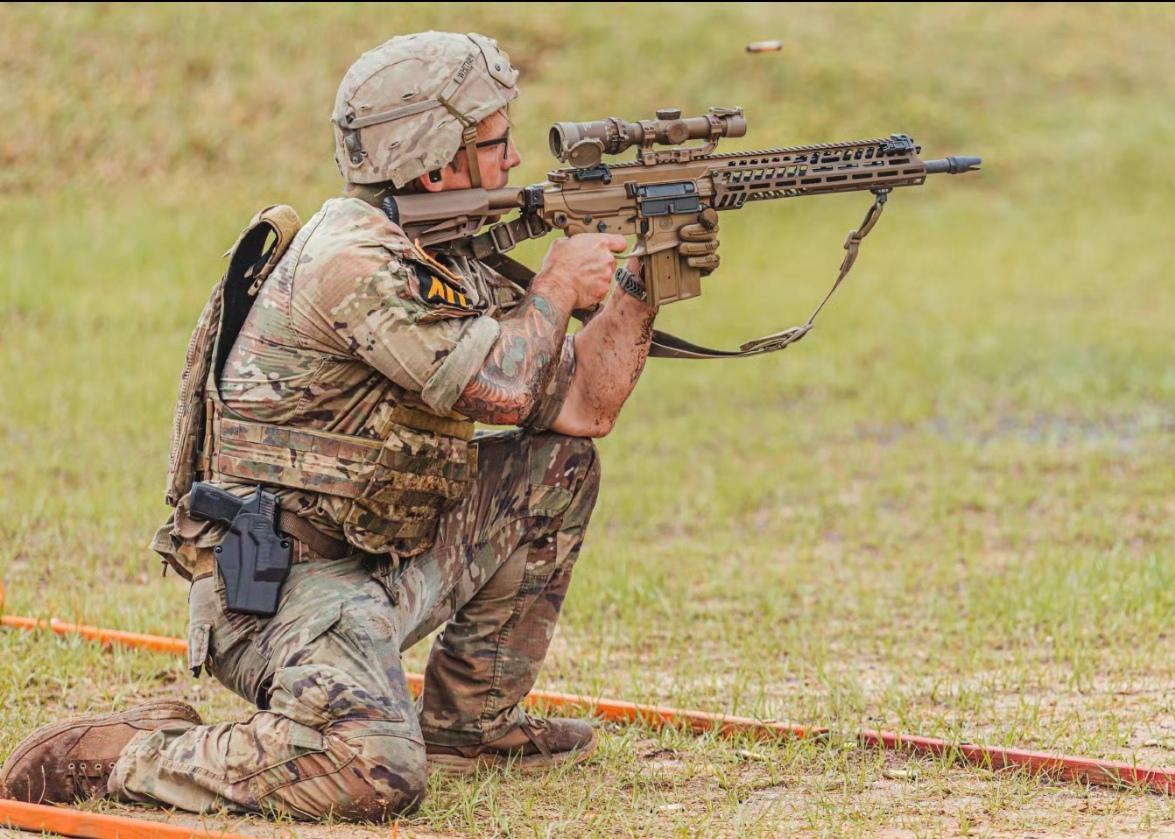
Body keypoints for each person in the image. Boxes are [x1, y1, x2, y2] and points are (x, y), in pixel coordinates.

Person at [1, 31, 719, 821]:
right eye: (496, 141)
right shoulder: (356, 261)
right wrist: (553, 285)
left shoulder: (442, 250)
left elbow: (585, 406)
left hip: (376, 552)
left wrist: (643, 275)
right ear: (436, 161)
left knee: (558, 465)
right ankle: (134, 754)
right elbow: (506, 389)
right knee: (375, 769)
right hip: (278, 591)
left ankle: (470, 726)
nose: (514, 159)